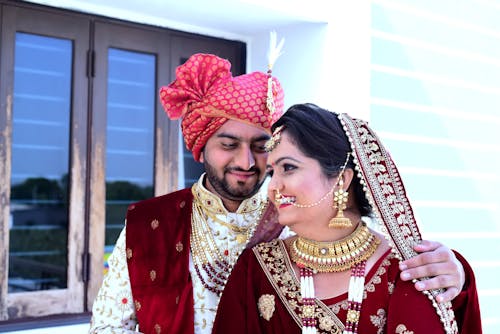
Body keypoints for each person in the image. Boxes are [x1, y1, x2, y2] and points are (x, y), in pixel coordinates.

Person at [89, 54, 470, 334]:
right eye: (228, 143)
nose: (246, 161)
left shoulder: (302, 215)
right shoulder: (150, 225)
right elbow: (108, 328)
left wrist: (454, 275)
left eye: (261, 146)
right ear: (201, 146)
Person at [212, 103, 481, 334]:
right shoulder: (255, 270)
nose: (273, 187)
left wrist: (460, 276)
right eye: (272, 173)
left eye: (288, 168)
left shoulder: (407, 270)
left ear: (341, 180)